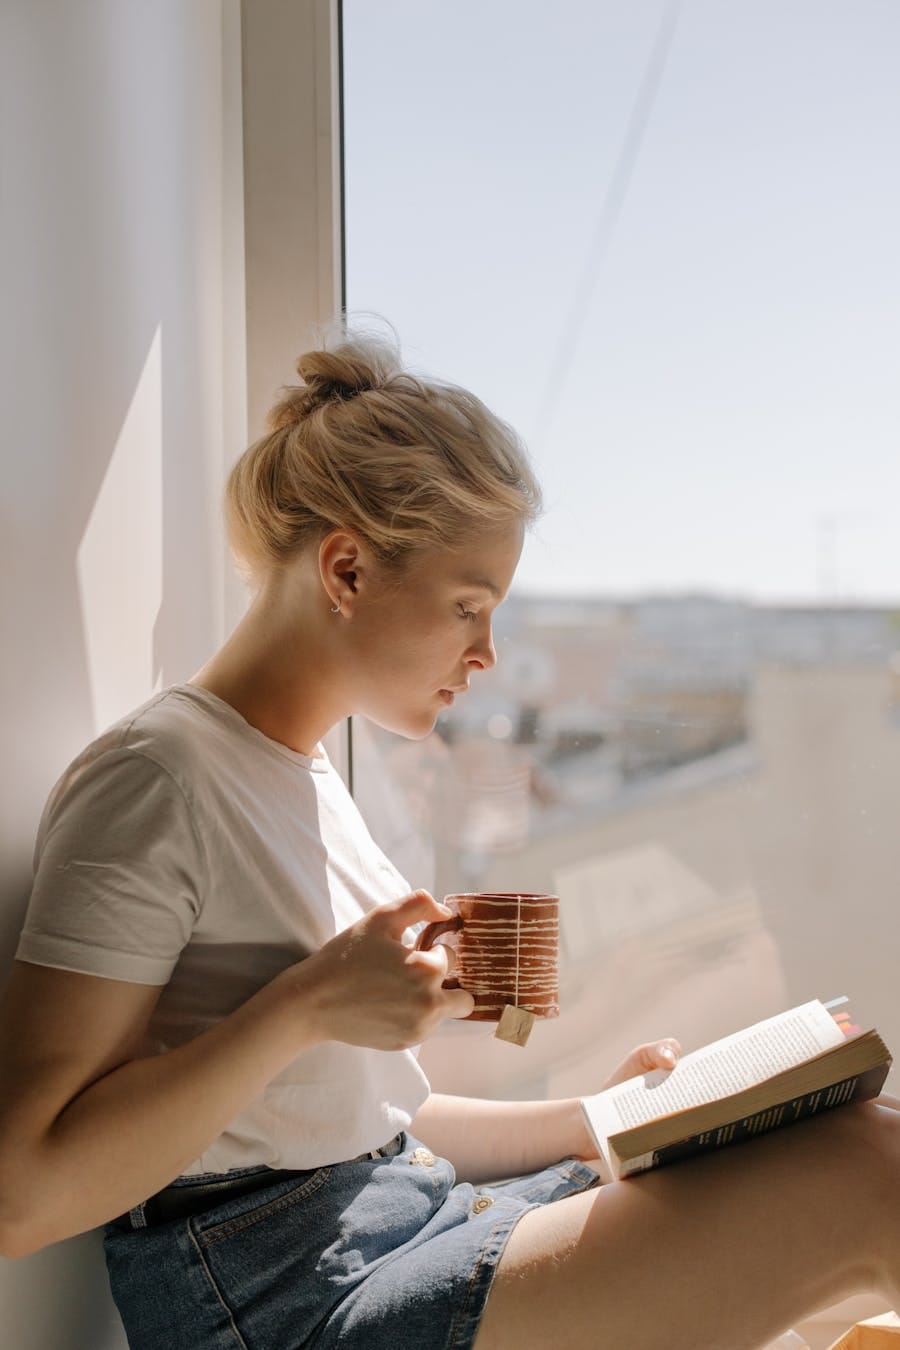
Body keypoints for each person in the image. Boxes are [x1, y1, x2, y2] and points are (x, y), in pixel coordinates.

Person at [0, 332, 897, 1350]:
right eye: (469, 606)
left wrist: (596, 1116)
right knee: (865, 1179)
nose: (488, 654)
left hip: (402, 1224)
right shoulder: (158, 778)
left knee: (859, 1139)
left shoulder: (305, 784)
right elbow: (25, 1191)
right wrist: (302, 1006)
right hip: (291, 1304)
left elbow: (371, 1127)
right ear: (345, 568)